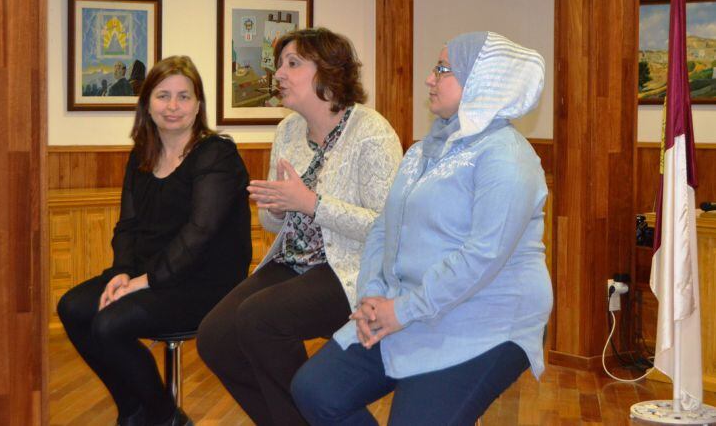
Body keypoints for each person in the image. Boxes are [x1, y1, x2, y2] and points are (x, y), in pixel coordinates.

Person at [291, 32, 553, 425]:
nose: (430, 79)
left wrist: (403, 310)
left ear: (481, 81)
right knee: (316, 390)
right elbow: (384, 227)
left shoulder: (508, 157)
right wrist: (371, 297)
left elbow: (483, 257)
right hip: (403, 307)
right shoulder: (421, 150)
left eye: (443, 69)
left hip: (485, 321)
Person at [196, 28, 402, 426]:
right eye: (280, 65)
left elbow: (386, 228)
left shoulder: (371, 132)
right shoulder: (287, 130)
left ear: (328, 72)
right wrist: (275, 205)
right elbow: (275, 225)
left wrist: (310, 203)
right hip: (293, 263)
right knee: (215, 337)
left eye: (293, 64)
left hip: (351, 270)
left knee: (259, 319)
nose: (280, 75)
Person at [57, 55, 251, 426]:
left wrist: (140, 283)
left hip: (205, 283)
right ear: (147, 103)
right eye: (163, 96)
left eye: (184, 96)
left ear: (198, 105)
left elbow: (199, 235)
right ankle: (134, 412)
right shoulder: (141, 154)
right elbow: (127, 225)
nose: (173, 106)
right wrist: (120, 273)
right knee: (73, 307)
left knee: (110, 324)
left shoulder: (216, 154)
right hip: (148, 274)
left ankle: (165, 418)